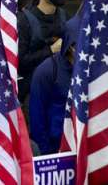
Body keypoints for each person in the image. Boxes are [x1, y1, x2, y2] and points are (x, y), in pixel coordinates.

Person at [29, 16, 78, 155]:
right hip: (55, 151)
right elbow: (37, 118)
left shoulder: (93, 69)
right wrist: (47, 156)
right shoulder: (46, 71)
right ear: (70, 46)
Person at [17, 0, 69, 100]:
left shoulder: (64, 16)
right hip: (32, 86)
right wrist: (51, 50)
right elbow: (21, 62)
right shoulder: (24, 21)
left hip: (61, 81)